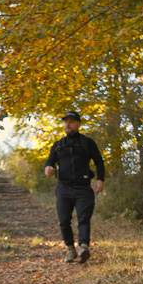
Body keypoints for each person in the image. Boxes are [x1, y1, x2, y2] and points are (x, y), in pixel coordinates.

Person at [44, 111, 105, 264]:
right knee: (64, 220)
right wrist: (48, 169)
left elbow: (99, 162)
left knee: (84, 219)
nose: (67, 124)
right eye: (66, 122)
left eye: (71, 122)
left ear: (78, 124)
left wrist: (100, 180)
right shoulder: (58, 145)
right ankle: (70, 248)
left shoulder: (87, 143)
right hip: (63, 188)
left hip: (83, 188)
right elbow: (49, 162)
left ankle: (83, 247)